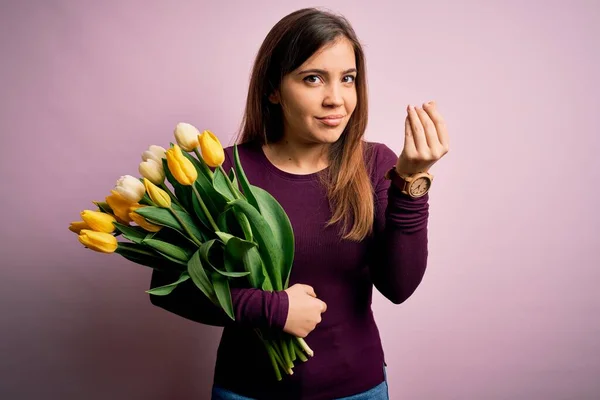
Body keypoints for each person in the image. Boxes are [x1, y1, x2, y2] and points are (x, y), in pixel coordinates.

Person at [149, 7, 449, 400]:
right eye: (313, 79)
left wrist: (411, 181)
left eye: (348, 79)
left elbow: (399, 286)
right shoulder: (223, 172)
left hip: (356, 390)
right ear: (273, 89)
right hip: (247, 391)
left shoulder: (375, 163)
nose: (336, 99)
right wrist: (271, 309)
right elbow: (170, 289)